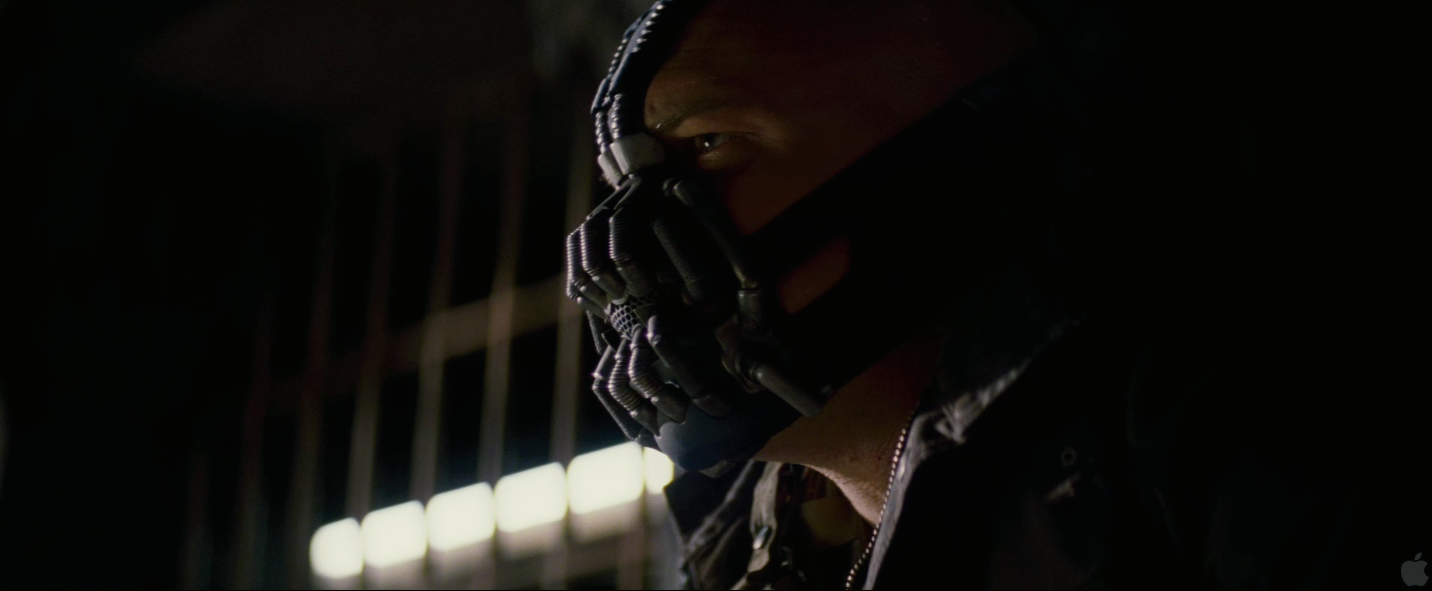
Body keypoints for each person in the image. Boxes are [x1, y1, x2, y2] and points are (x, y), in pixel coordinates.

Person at [567, 0, 1388, 588]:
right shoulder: (736, 551)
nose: (624, 246)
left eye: (707, 142)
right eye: (623, 185)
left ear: (945, 162)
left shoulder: (1229, 434)